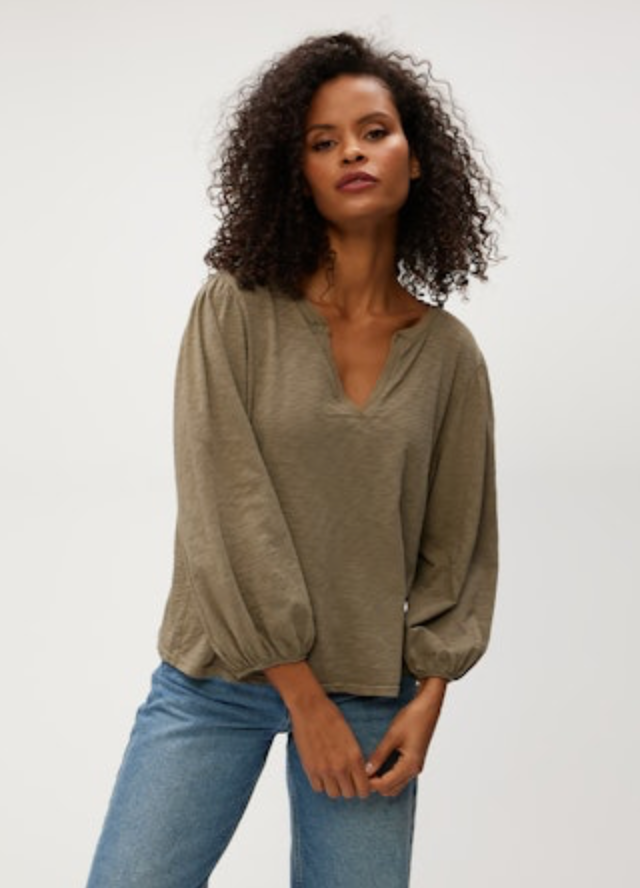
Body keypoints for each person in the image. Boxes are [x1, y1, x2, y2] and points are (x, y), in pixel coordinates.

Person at [85, 31, 500, 888]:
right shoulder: (235, 309)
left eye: (374, 131)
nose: (351, 151)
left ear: (417, 157)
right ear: (296, 171)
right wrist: (303, 701)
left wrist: (430, 697)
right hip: (219, 677)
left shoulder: (449, 355)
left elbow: (457, 545)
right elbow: (223, 509)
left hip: (372, 689)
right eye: (323, 140)